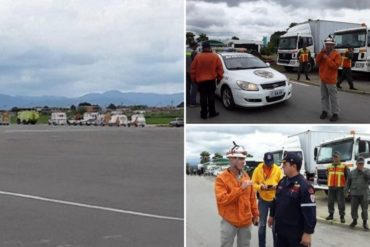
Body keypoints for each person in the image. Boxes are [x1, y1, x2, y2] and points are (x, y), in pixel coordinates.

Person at [215, 142, 259, 247]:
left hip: (246, 221)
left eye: (243, 159)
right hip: (229, 221)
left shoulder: (246, 176)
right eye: (239, 158)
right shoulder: (221, 179)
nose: (243, 162)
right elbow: (222, 200)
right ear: (231, 159)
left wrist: (256, 214)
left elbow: (252, 198)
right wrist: (240, 189)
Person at [268, 152, 316, 247]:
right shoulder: (282, 182)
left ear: (293, 166)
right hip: (281, 232)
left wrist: (307, 233)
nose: (282, 167)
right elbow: (276, 200)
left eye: (285, 165)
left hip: (296, 235)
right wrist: (272, 215)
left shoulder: (305, 186)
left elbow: (310, 212)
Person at [252, 152, 282, 247]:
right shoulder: (258, 170)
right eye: (267, 162)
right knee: (262, 226)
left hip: (274, 200)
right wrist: (260, 187)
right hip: (263, 200)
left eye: (271, 162)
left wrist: (276, 187)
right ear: (264, 161)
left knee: (275, 227)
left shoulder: (277, 169)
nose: (269, 164)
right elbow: (252, 184)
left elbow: (282, 184)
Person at [190, 41, 224, 119]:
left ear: (202, 48)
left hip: (201, 81)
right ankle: (212, 112)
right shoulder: (215, 57)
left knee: (203, 97)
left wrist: (194, 79)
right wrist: (219, 78)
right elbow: (220, 69)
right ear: (210, 48)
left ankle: (203, 114)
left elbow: (193, 70)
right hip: (211, 81)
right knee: (211, 97)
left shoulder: (198, 57)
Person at [316, 37, 341, 122]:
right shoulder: (323, 53)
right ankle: (325, 111)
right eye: (326, 44)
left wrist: (327, 58)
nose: (327, 46)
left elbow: (335, 66)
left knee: (333, 98)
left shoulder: (337, 54)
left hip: (331, 80)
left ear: (333, 45)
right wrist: (321, 53)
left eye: (329, 44)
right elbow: (317, 61)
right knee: (324, 96)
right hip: (323, 78)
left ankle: (335, 113)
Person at [345, 156, 370, 230]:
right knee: (353, 209)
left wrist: (363, 171)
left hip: (364, 194)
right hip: (354, 194)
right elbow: (347, 183)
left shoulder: (367, 171)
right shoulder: (352, 172)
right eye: (359, 164)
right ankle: (354, 221)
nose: (360, 165)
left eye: (362, 164)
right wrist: (346, 191)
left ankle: (365, 223)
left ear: (363, 164)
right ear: (356, 164)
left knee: (364, 209)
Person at [326, 151, 349, 223]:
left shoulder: (344, 167)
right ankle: (331, 215)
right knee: (330, 202)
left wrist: (346, 188)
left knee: (341, 203)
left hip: (340, 188)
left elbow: (347, 178)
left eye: (336, 157)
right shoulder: (329, 167)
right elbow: (327, 175)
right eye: (334, 157)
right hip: (331, 188)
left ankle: (342, 216)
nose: (335, 158)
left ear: (340, 157)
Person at [189, 42, 199, 107]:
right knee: (194, 87)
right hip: (192, 72)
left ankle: (188, 102)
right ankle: (193, 103)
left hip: (186, 71)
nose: (196, 47)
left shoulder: (186, 50)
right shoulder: (194, 52)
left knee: (187, 88)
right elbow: (196, 63)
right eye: (196, 46)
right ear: (194, 46)